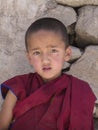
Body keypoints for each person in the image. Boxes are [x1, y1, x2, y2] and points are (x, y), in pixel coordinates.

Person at [0, 17, 96, 130]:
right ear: (29, 58)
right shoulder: (19, 85)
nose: (45, 60)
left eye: (53, 51)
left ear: (67, 53)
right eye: (36, 52)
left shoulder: (80, 90)